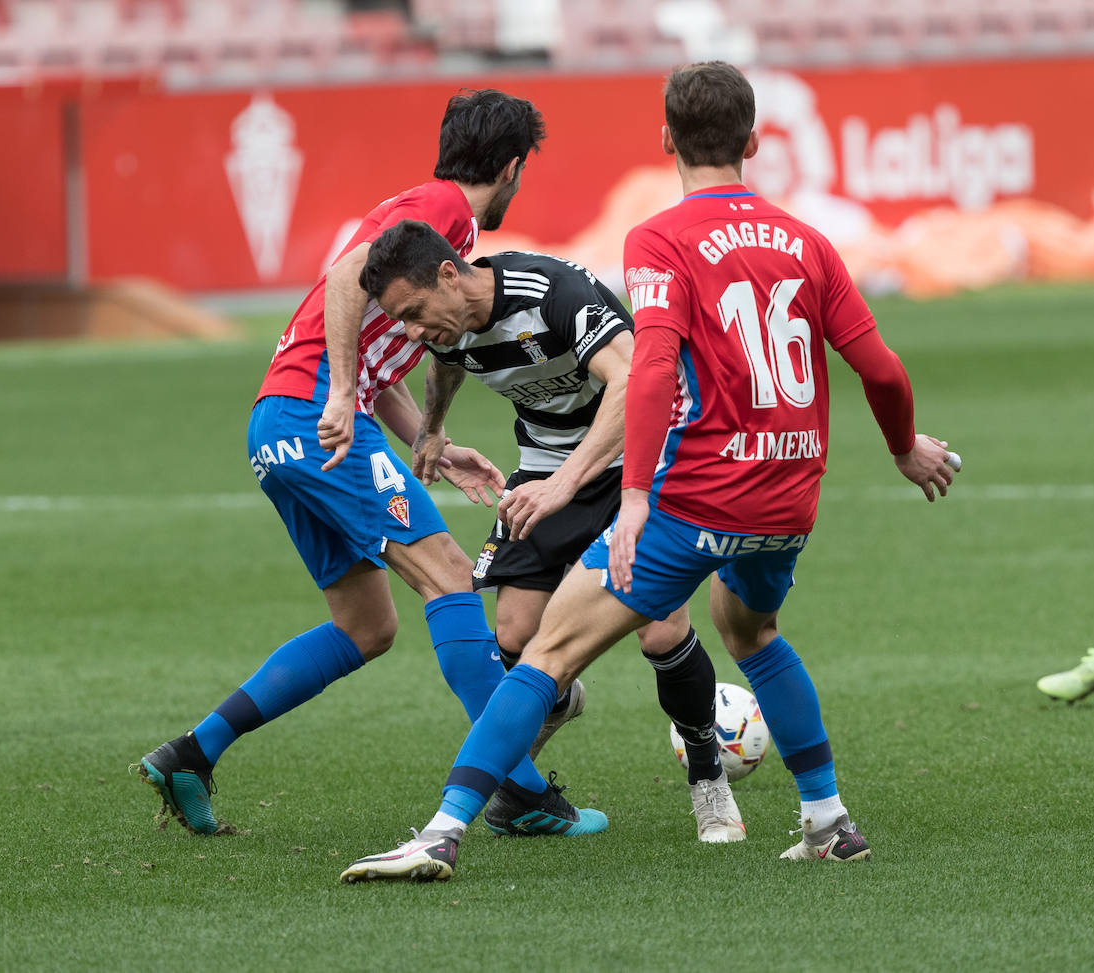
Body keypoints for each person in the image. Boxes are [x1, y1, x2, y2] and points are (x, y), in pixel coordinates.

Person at [341, 60, 960, 883]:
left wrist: (631, 500)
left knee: (547, 656)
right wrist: (903, 446)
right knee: (752, 633)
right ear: (753, 140)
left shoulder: (659, 238)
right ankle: (827, 818)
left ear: (665, 138)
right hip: (788, 498)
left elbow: (654, 368)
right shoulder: (808, 241)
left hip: (700, 493)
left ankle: (442, 833)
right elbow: (879, 367)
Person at [139, 89, 606, 838]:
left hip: (280, 423)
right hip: (316, 418)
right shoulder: (447, 211)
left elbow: (379, 345)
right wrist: (344, 392)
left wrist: (428, 435)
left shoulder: (421, 211)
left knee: (366, 626)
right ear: (513, 166)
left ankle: (193, 752)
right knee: (451, 573)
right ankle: (517, 791)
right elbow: (343, 274)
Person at [359, 218, 736, 841]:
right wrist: (432, 428)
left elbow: (637, 380)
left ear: (450, 274)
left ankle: (708, 780)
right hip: (544, 466)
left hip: (637, 460)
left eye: (417, 312)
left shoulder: (552, 292)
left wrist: (566, 484)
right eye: (402, 320)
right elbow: (446, 363)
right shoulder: (444, 327)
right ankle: (557, 700)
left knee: (661, 630)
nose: (413, 332)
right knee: (513, 634)